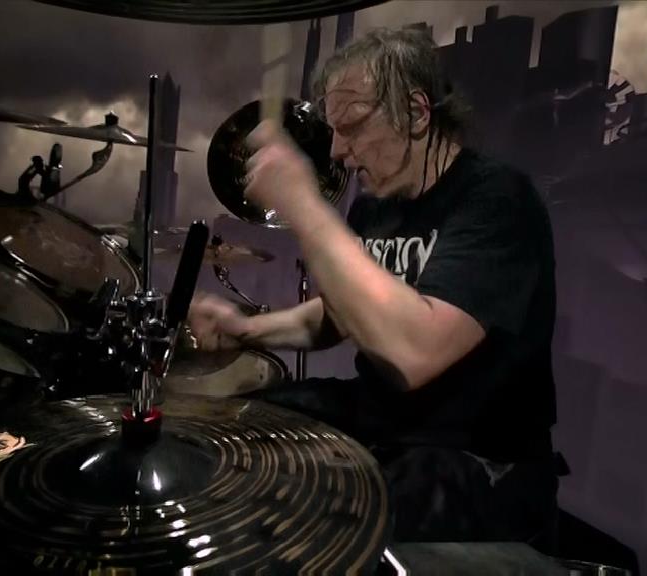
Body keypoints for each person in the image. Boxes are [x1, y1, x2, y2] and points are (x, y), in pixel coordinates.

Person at [188, 27, 561, 546]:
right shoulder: (374, 206)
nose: (338, 151)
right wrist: (247, 330)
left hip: (475, 451)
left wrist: (303, 205)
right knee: (234, 428)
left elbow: (414, 354)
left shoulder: (496, 200)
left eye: (352, 127)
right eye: (333, 131)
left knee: (311, 526)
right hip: (386, 420)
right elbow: (339, 314)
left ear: (416, 113)